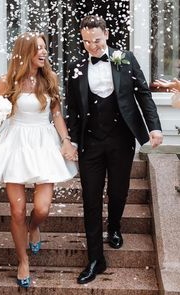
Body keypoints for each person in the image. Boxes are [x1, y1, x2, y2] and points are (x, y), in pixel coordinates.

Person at [0, 32, 77, 288]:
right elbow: (0, 115)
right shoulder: (6, 81)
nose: (43, 53)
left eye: (44, 48)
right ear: (24, 52)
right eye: (37, 49)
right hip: (15, 145)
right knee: (16, 209)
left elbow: (56, 115)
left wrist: (65, 141)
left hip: (43, 144)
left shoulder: (49, 79)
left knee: (42, 208)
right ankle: (23, 261)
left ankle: (34, 226)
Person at [66, 15, 163, 284]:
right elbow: (72, 108)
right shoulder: (74, 66)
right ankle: (95, 258)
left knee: (119, 191)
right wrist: (71, 140)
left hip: (122, 139)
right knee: (91, 198)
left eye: (96, 41)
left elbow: (143, 94)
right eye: (86, 42)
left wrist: (154, 127)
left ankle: (115, 226)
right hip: (91, 142)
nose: (92, 47)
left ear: (106, 34)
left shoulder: (125, 58)